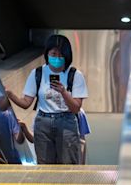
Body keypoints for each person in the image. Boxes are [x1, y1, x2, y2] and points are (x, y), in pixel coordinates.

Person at [6, 35, 88, 164]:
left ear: (67, 55)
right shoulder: (37, 73)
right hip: (43, 122)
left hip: (66, 121)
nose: (57, 58)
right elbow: (26, 103)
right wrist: (11, 95)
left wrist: (63, 92)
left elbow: (76, 108)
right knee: (44, 165)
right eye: (53, 54)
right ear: (47, 53)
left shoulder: (75, 75)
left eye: (61, 55)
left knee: (68, 164)